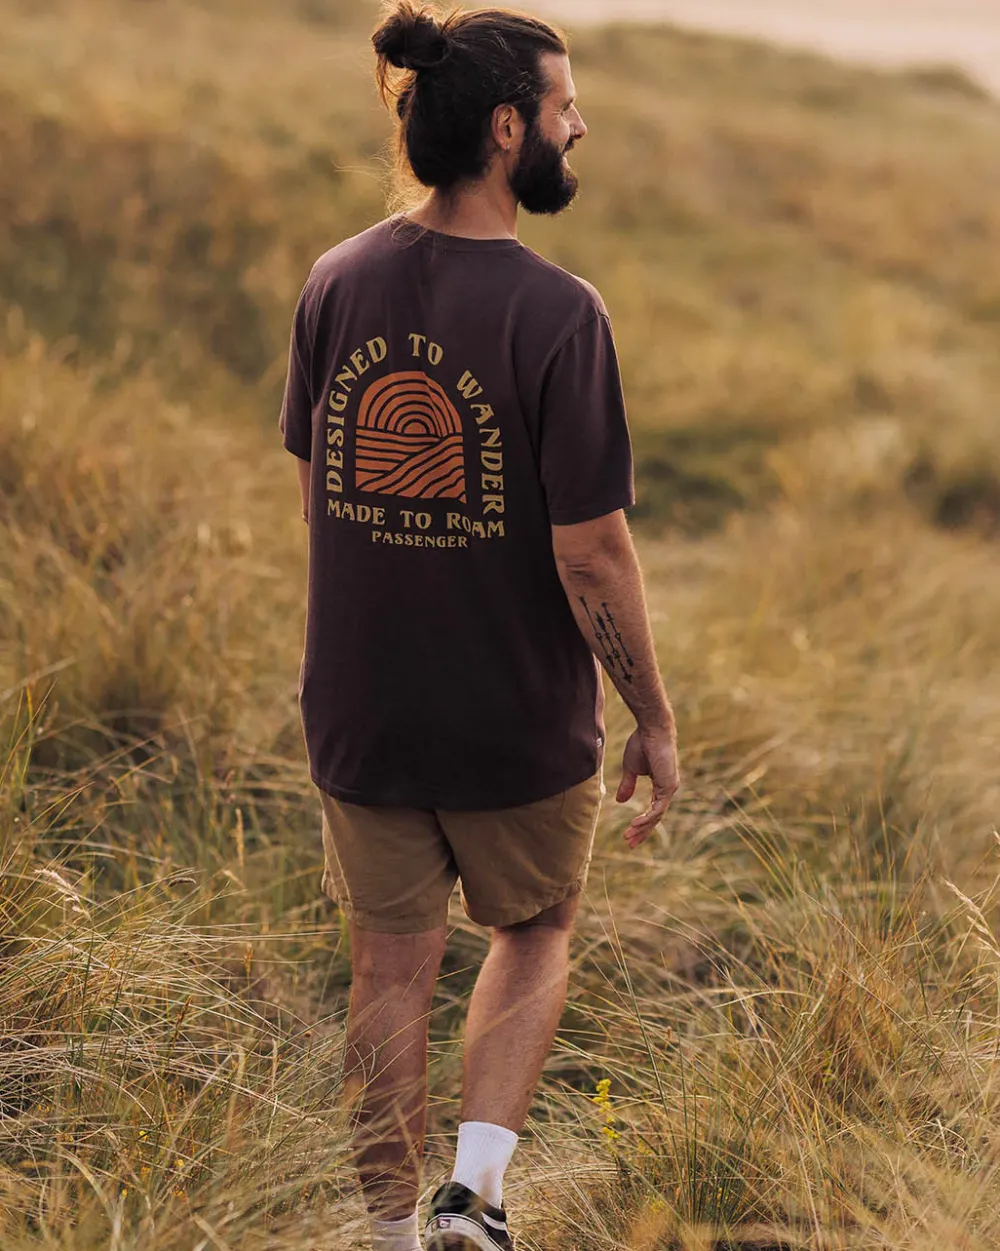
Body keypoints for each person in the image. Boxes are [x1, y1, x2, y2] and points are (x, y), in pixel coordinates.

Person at [279, 4, 681, 1248]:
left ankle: (387, 1236)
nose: (579, 125)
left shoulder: (336, 278)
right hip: (512, 715)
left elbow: (323, 494)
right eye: (564, 106)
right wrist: (653, 715)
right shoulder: (560, 313)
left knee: (387, 968)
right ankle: (476, 1196)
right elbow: (591, 550)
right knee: (536, 928)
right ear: (508, 129)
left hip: (364, 709)